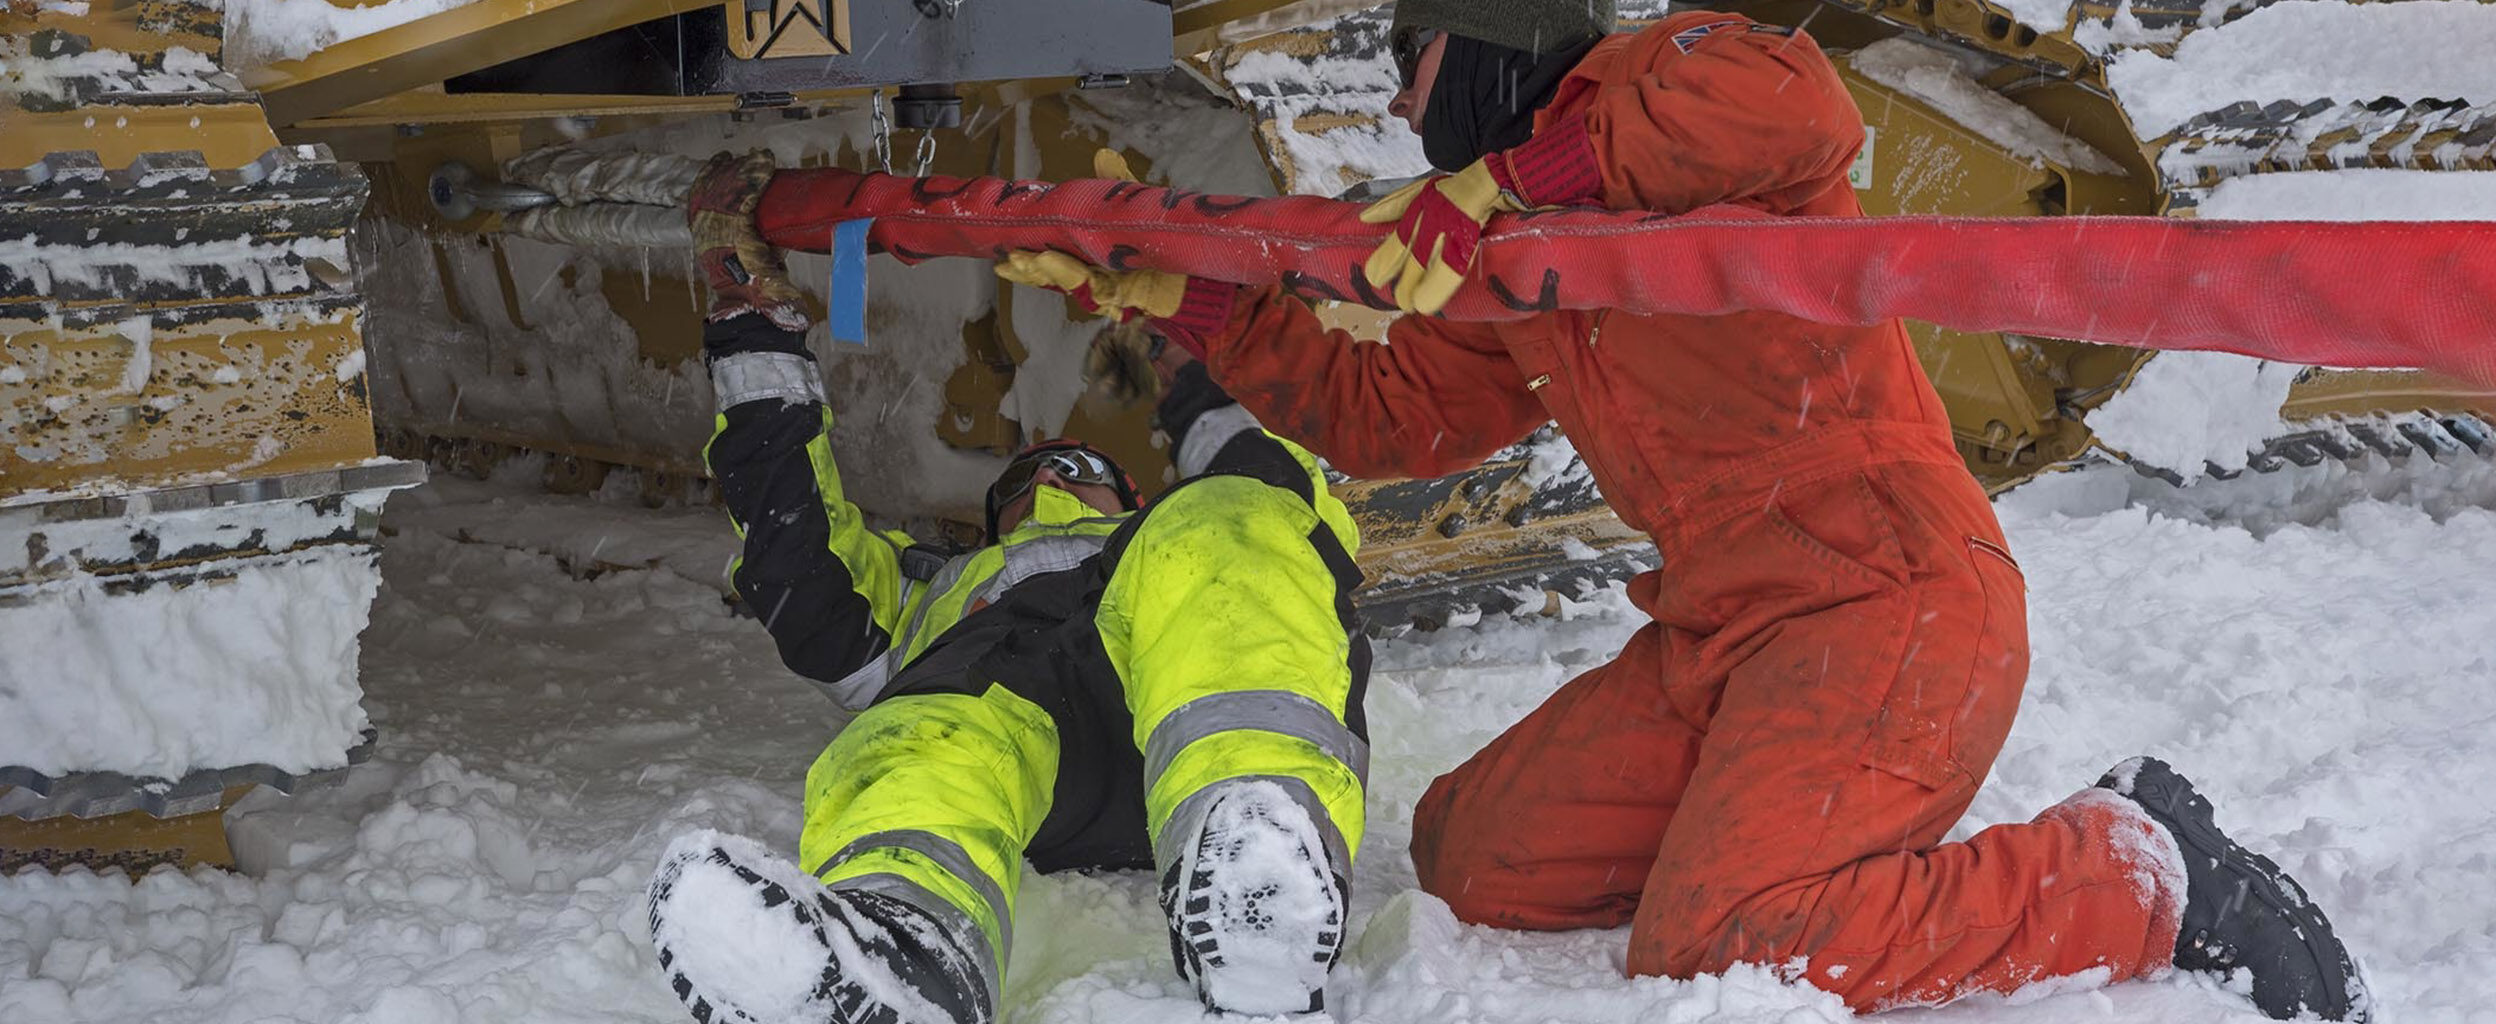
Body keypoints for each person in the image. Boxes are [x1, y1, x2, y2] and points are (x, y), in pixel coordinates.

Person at [1000, 2, 2368, 1020]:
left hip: (1890, 604)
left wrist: (1514, 178)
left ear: (1499, 37)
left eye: (1418, 56)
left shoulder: (1663, 87)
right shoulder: (1522, 260)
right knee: (1473, 853)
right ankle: (1775, 827)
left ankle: (2143, 867)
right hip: (1723, 639)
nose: (1412, 101)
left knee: (1734, 944)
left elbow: (1804, 106)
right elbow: (1393, 414)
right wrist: (1189, 299)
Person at [644, 152, 1373, 1024]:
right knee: (916, 725)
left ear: (1129, 498)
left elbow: (1278, 493)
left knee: (1233, 514)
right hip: (1020, 747)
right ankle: (905, 958)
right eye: (1031, 476)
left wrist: (1176, 345)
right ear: (993, 521)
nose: (1054, 480)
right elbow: (793, 555)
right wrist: (752, 330)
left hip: (1171, 704)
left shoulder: (1155, 543)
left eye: (1079, 467)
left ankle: (1259, 876)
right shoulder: (935, 591)